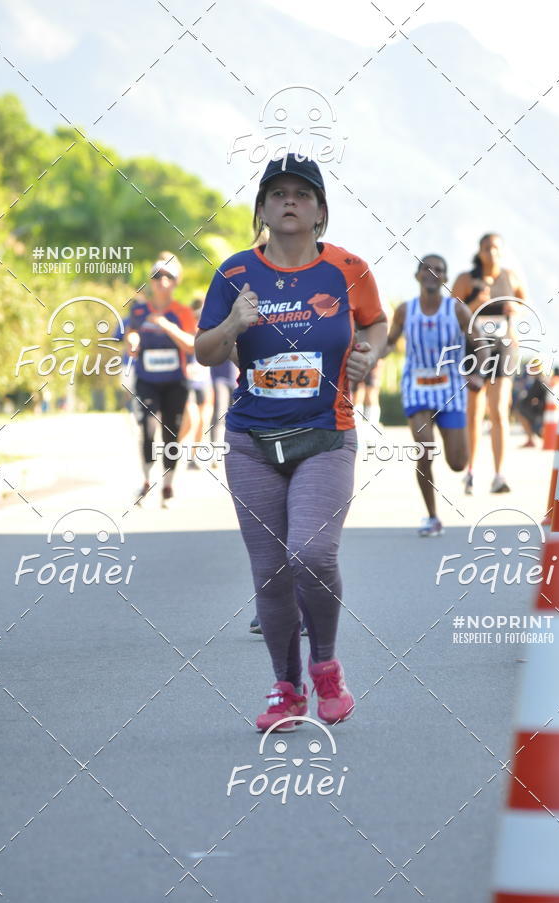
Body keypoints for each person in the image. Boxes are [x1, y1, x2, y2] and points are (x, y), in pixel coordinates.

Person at [195, 154, 387, 731]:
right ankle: (286, 687)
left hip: (326, 437)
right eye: (276, 193)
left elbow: (376, 321)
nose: (288, 202)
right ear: (260, 210)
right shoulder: (233, 273)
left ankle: (326, 667)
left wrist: (371, 351)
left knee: (310, 552)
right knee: (271, 574)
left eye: (302, 194)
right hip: (252, 441)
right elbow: (204, 350)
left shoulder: (349, 269)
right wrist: (232, 326)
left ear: (320, 210)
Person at [385, 254, 478, 536]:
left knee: (457, 462)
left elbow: (479, 344)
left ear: (446, 278)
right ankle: (432, 516)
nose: (432, 273)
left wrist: (478, 372)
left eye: (439, 269)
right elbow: (388, 343)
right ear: (417, 275)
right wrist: (370, 355)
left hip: (450, 385)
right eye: (427, 268)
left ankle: (457, 476)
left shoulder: (458, 311)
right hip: (417, 385)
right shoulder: (405, 311)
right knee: (425, 448)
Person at [451, 233, 527, 494]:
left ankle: (499, 474)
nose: (491, 252)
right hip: (474, 347)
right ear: (480, 251)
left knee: (499, 411)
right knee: (474, 411)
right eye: (487, 248)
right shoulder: (466, 279)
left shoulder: (511, 277)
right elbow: (452, 313)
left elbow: (523, 303)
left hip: (503, 347)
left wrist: (515, 311)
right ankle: (470, 472)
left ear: (502, 251)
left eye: (496, 248)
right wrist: (474, 303)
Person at [126, 253, 195, 506]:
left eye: (168, 276)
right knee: (147, 427)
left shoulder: (182, 312)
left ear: (176, 282)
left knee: (171, 433)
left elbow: (191, 346)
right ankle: (146, 480)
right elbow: (131, 334)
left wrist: (166, 326)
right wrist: (132, 341)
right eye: (157, 276)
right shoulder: (140, 310)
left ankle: (168, 485)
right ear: (151, 281)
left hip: (176, 381)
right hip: (147, 380)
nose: (162, 281)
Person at [181, 299, 215, 470]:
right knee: (192, 419)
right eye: (196, 316)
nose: (199, 320)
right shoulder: (184, 332)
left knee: (203, 420)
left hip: (203, 381)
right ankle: (172, 448)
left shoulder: (208, 332)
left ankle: (193, 458)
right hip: (187, 382)